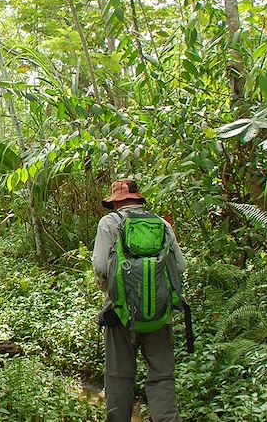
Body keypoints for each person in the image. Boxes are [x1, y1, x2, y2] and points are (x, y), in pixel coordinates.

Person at [92, 179, 187, 422]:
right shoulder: (161, 224)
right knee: (162, 375)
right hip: (159, 313)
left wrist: (111, 292)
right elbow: (180, 266)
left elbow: (101, 266)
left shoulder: (109, 223)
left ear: (116, 203)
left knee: (119, 376)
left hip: (121, 312)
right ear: (138, 200)